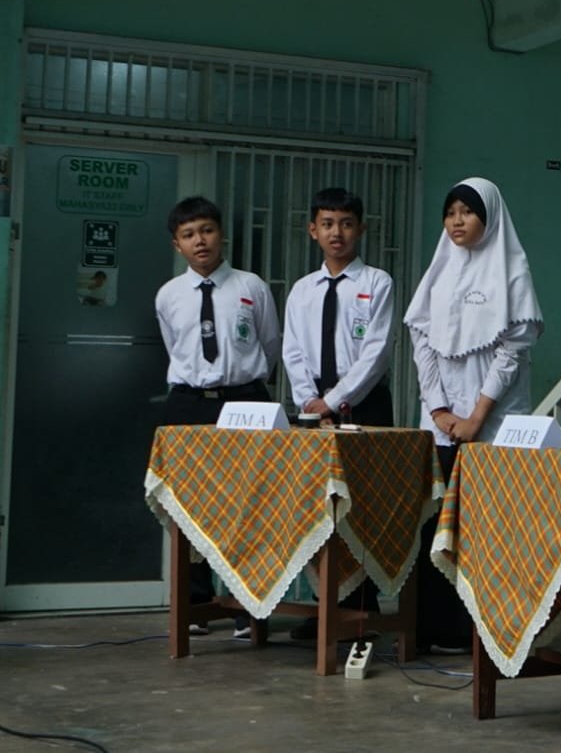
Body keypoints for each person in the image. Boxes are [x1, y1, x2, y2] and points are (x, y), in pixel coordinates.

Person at [404, 177, 543, 652]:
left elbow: (512, 351)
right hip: (442, 423)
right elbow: (422, 340)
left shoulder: (512, 271)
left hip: (495, 424)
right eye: (451, 212)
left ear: (490, 217)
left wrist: (476, 417)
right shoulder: (440, 272)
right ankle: (437, 629)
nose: (457, 221)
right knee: (438, 525)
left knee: (489, 527)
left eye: (468, 211)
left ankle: (486, 630)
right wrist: (440, 409)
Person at [154, 196, 280, 637]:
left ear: (221, 234)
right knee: (189, 501)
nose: (199, 241)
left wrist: (239, 384)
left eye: (206, 230)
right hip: (189, 402)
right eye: (188, 235)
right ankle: (196, 602)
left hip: (245, 400)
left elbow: (269, 344)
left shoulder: (251, 286)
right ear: (177, 245)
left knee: (252, 501)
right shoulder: (169, 295)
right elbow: (175, 346)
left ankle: (249, 604)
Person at [281, 187, 395, 638]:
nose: (337, 232)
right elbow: (291, 350)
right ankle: (324, 606)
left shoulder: (376, 283)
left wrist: (332, 401)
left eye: (346, 224)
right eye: (327, 224)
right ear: (313, 230)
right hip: (312, 410)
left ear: (360, 229)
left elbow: (376, 352)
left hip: (363, 404)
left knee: (362, 505)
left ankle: (362, 610)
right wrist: (310, 403)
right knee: (319, 505)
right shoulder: (302, 291)